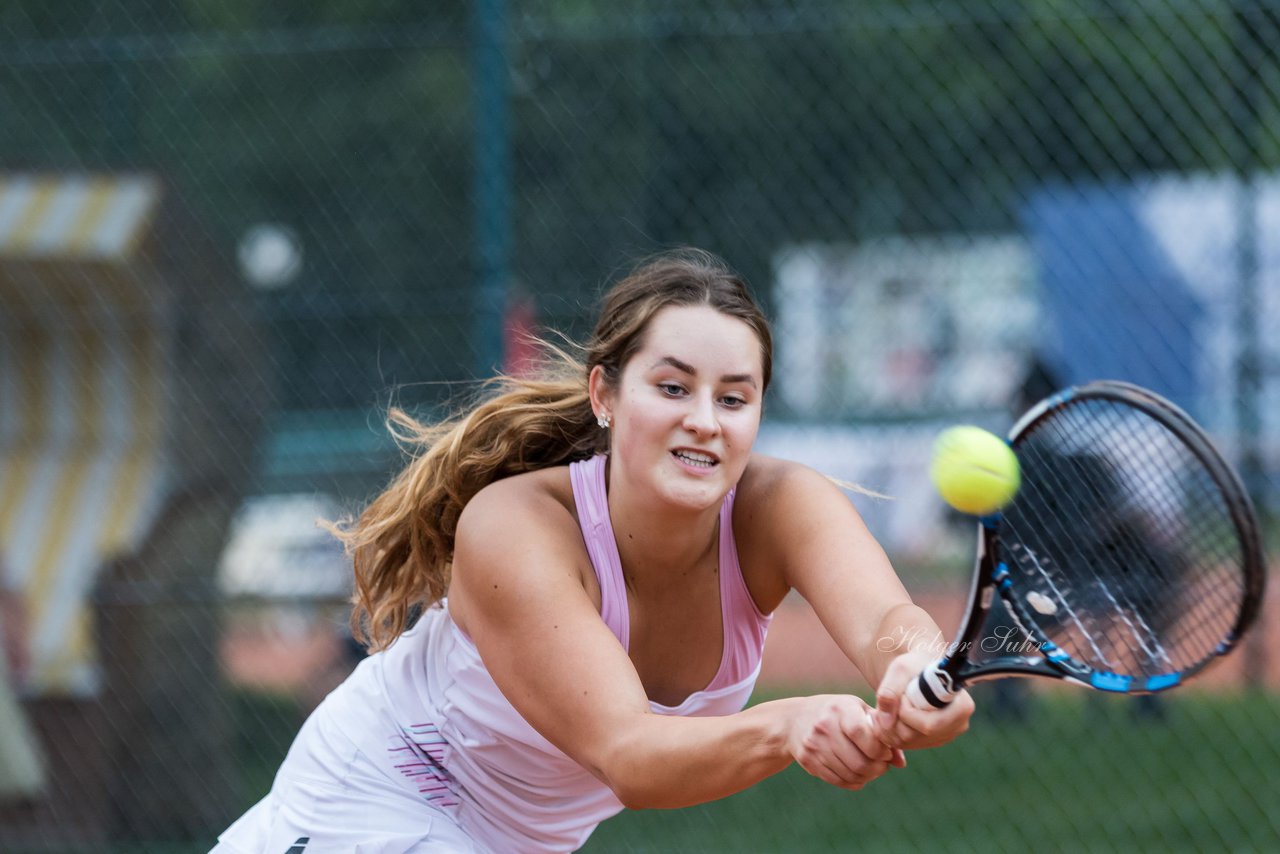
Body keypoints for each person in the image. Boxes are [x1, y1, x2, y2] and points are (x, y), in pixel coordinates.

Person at [213, 248, 974, 854]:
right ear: (605, 396)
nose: (705, 420)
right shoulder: (516, 527)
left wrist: (915, 668)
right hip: (380, 794)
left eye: (734, 398)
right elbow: (630, 752)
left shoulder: (784, 507)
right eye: (672, 388)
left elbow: (890, 622)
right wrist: (787, 724)